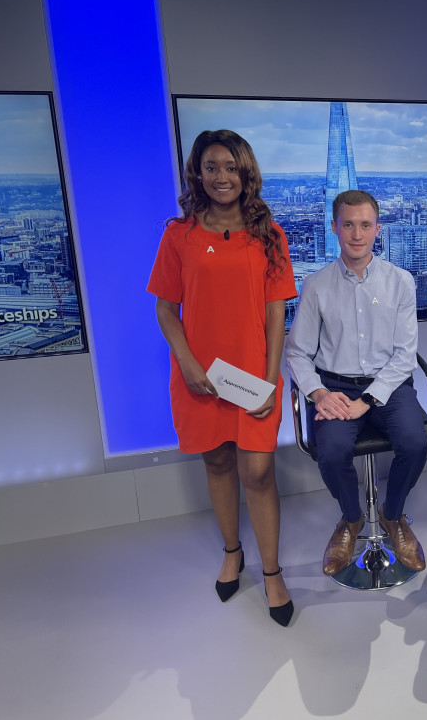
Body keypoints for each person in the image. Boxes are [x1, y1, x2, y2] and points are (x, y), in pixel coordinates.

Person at [147, 130, 297, 626]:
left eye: (231, 167)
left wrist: (272, 378)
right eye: (211, 167)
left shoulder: (269, 235)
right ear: (198, 173)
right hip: (201, 376)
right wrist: (188, 363)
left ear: (246, 172)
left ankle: (271, 572)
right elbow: (166, 310)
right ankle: (233, 551)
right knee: (216, 462)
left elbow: (277, 314)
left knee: (257, 471)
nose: (221, 177)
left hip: (253, 373)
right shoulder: (178, 235)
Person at [285, 189, 427, 576]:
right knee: (330, 452)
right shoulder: (316, 285)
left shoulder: (400, 282)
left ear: (378, 229)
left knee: (415, 443)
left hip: (389, 385)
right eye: (348, 224)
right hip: (335, 387)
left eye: (365, 224)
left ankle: (392, 515)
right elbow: (297, 352)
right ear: (334, 227)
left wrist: (367, 399)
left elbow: (405, 354)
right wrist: (317, 392)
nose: (356, 233)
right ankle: (350, 519)